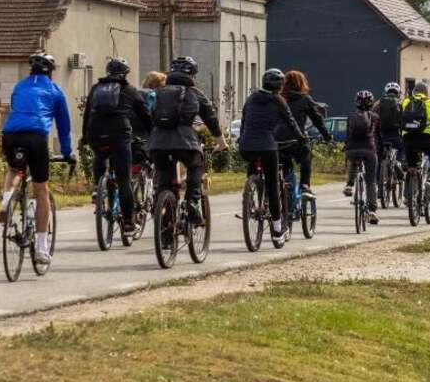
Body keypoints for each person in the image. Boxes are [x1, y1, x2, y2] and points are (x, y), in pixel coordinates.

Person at [0, 53, 74, 266]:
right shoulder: (55, 90)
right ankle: (41, 248)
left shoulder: (19, 86)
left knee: (15, 170)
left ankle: (6, 200)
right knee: (41, 190)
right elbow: (64, 126)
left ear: (31, 70)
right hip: (36, 135)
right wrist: (67, 152)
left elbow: (17, 109)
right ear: (50, 71)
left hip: (10, 134)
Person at [149, 56, 227, 243]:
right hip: (184, 141)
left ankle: (165, 234)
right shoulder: (195, 93)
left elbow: (150, 116)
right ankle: (192, 202)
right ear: (192, 74)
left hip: (158, 143)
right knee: (196, 165)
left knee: (165, 184)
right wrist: (221, 142)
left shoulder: (159, 92)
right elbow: (211, 119)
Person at [81, 58, 151, 234]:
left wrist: (85, 138)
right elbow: (144, 115)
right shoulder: (130, 90)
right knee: (123, 179)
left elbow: (87, 114)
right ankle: (128, 223)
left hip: (95, 131)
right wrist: (153, 133)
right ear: (125, 74)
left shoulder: (95, 89)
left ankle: (97, 187)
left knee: (100, 154)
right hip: (119, 134)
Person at [239, 69, 304, 241]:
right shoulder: (278, 101)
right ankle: (277, 231)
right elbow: (291, 122)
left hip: (246, 147)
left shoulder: (251, 98)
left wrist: (242, 138)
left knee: (253, 170)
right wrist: (301, 138)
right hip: (267, 147)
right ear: (280, 86)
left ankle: (250, 199)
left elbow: (244, 121)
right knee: (273, 186)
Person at [277, 70, 329, 199]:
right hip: (296, 140)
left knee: (284, 165)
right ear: (302, 83)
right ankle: (304, 185)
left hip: (277, 141)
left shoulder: (277, 98)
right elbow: (317, 120)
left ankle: (283, 192)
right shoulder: (304, 99)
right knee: (306, 156)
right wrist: (327, 136)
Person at [401, 81, 430, 192]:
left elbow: (400, 119)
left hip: (408, 139)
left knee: (411, 166)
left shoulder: (405, 102)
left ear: (414, 92)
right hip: (426, 139)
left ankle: (408, 195)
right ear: (426, 92)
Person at [343, 90, 380, 224]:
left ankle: (349, 185)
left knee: (354, 161)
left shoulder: (351, 116)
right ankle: (372, 211)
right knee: (371, 181)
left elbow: (348, 135)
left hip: (352, 150)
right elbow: (378, 136)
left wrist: (346, 148)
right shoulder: (375, 117)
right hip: (369, 150)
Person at [376, 82, 405, 173]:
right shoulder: (401, 103)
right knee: (403, 146)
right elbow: (404, 119)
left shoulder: (379, 103)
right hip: (395, 134)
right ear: (398, 93)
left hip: (382, 135)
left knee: (379, 158)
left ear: (386, 92)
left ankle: (377, 178)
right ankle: (398, 162)